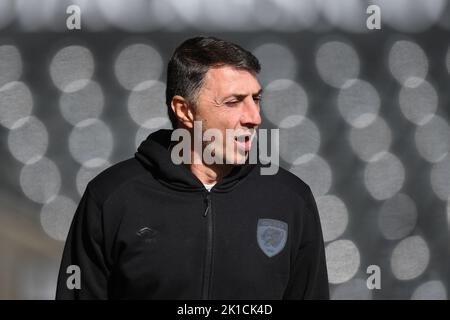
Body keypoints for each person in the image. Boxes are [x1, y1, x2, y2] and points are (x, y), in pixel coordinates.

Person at [56, 36, 329, 299]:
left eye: (255, 99)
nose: (254, 118)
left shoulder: (290, 201)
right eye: (234, 102)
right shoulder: (111, 198)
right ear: (185, 111)